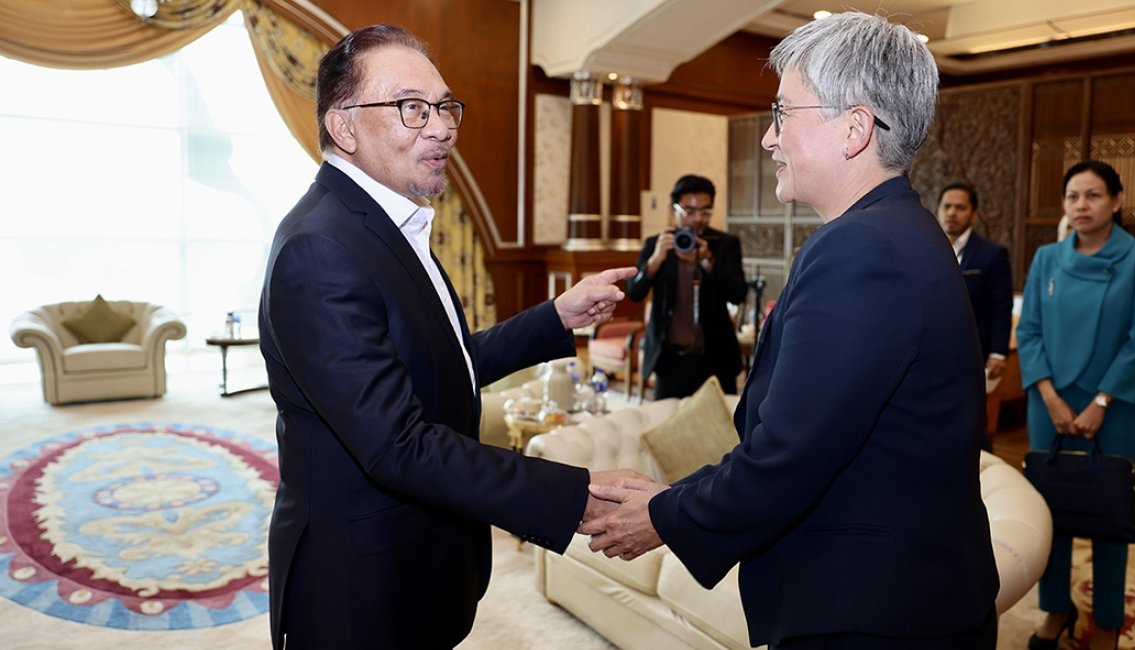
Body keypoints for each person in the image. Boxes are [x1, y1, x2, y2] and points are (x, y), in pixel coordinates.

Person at [583, 12, 999, 649]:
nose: (769, 139)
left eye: (782, 113)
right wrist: (677, 493)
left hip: (872, 615)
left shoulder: (863, 252)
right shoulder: (896, 233)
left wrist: (663, 516)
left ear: (854, 128)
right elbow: (810, 438)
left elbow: (788, 459)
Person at [257, 24, 644, 650]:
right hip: (358, 586)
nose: (440, 127)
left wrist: (555, 317)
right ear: (344, 126)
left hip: (417, 559)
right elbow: (398, 445)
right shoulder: (320, 249)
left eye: (444, 107)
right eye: (412, 108)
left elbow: (439, 366)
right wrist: (574, 496)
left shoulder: (389, 224)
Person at [1015, 160, 1135, 650]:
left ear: (1117, 201)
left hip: (1114, 404)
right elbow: (1030, 331)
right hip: (1049, 402)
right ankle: (1056, 608)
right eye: (1073, 196)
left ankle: (1106, 620)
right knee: (1050, 510)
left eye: (1094, 195)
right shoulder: (1046, 259)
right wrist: (1050, 396)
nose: (1082, 205)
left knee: (1109, 512)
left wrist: (1101, 400)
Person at [626, 174, 747, 398]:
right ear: (673, 211)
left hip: (715, 359)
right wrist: (654, 262)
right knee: (667, 427)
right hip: (669, 360)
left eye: (705, 211)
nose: (698, 218)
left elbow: (738, 294)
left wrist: (708, 260)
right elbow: (633, 292)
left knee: (718, 429)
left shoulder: (724, 245)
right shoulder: (657, 244)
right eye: (689, 212)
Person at [938, 182, 1013, 449]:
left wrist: (998, 353)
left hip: (975, 353)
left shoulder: (991, 255)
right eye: (947, 206)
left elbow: (1001, 305)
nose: (952, 213)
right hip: (936, 354)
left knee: (973, 426)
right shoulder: (929, 247)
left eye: (960, 207)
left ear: (973, 214)